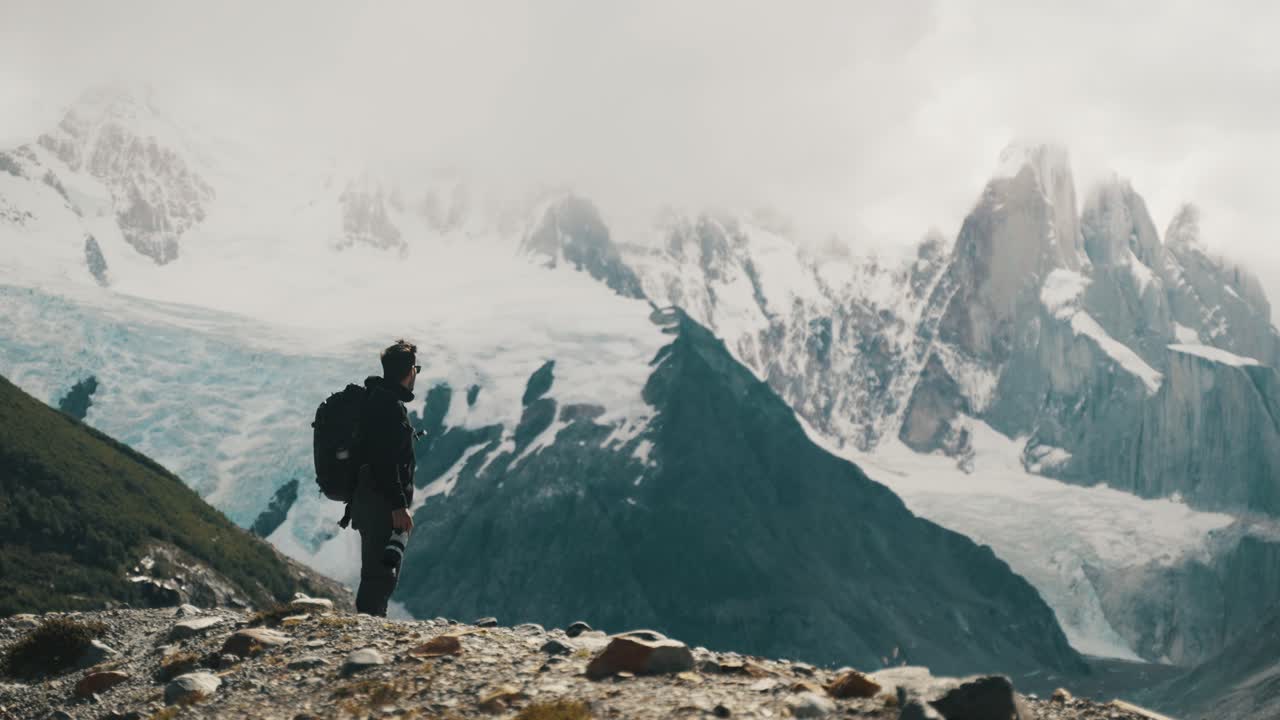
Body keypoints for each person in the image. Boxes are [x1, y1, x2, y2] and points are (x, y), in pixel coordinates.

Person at [350, 339, 419, 616]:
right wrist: (398, 505)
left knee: (378, 571)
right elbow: (385, 461)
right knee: (381, 574)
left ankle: (369, 630)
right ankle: (366, 635)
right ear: (410, 371)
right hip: (381, 503)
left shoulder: (376, 398)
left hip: (369, 498)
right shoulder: (388, 406)